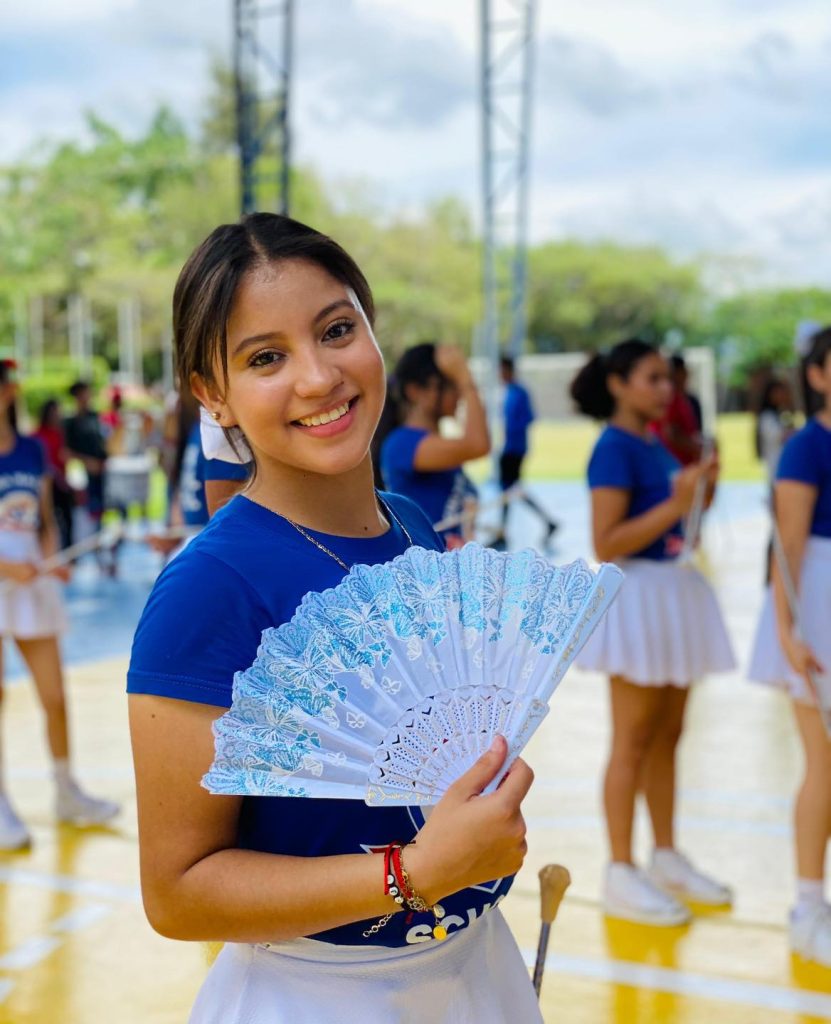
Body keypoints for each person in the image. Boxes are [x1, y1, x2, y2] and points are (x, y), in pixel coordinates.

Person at [127, 213, 540, 1023]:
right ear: (213, 393)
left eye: (336, 330)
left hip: (476, 970)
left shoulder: (411, 527)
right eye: (266, 357)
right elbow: (177, 893)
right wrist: (413, 873)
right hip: (316, 995)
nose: (318, 377)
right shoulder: (207, 590)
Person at [570, 339, 735, 926]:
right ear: (619, 384)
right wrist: (676, 503)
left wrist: (701, 492)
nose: (667, 390)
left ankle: (665, 855)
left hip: (671, 592)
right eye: (653, 378)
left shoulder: (654, 442)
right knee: (633, 737)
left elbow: (678, 526)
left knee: (669, 733)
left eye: (668, 379)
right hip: (638, 597)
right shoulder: (613, 448)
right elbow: (607, 541)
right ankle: (620, 869)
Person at [0, 363, 119, 849]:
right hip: (6, 578)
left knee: (54, 697)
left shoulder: (31, 449)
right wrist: (7, 568)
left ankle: (66, 791)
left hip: (33, 583)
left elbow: (45, 519)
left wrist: (51, 558)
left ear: (10, 392)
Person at [748, 328, 831, 967]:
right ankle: (808, 906)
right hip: (819, 614)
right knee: (823, 764)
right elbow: (787, 549)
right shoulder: (807, 447)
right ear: (819, 376)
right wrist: (788, 636)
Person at [379, 343, 488, 548]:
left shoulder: (435, 445)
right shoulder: (402, 443)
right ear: (415, 391)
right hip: (427, 565)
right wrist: (465, 380)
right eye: (450, 384)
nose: (458, 394)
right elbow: (477, 444)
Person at [489, 355, 558, 551]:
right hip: (510, 447)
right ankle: (544, 522)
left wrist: (513, 433)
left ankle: (504, 533)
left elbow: (528, 417)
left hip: (515, 449)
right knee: (511, 490)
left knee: (510, 490)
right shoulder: (510, 392)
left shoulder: (518, 392)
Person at [64, 380, 108, 534]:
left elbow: (103, 445)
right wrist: (87, 462)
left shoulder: (95, 417)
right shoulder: (70, 423)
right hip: (81, 476)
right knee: (83, 522)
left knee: (99, 519)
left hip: (99, 476)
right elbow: (66, 452)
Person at [33, 399, 75, 550]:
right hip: (46, 484)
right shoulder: (37, 435)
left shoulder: (59, 433)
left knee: (67, 519)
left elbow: (63, 458)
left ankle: (68, 552)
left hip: (60, 483)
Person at [650, 353, 702, 465]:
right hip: (673, 465)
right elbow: (670, 433)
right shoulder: (669, 398)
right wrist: (697, 446)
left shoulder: (683, 398)